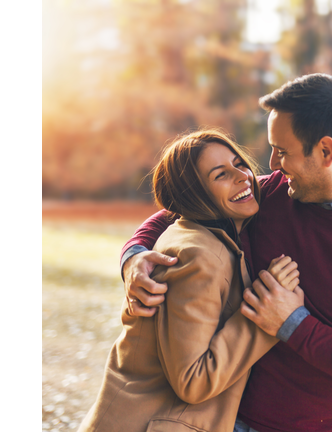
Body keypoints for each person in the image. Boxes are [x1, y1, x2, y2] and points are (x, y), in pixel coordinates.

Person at [121, 74, 332, 432]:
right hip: (226, 420)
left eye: (282, 151)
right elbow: (179, 210)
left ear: (326, 151)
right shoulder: (271, 194)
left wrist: (292, 323)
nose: (272, 163)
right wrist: (134, 256)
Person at [79, 129, 301, 432]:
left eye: (239, 163)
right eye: (220, 174)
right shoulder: (199, 257)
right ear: (194, 196)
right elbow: (192, 381)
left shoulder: (200, 238)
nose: (243, 176)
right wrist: (266, 314)